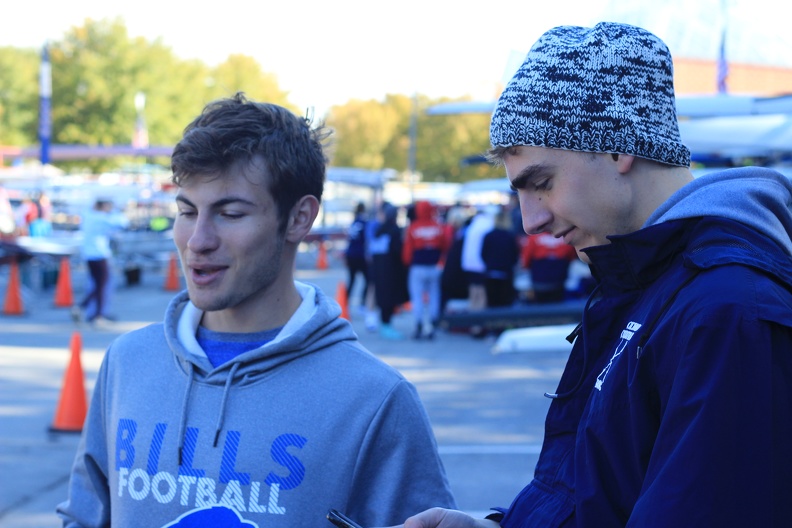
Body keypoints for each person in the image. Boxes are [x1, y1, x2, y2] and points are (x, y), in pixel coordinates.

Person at [395, 22, 792, 527]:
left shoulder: (728, 311)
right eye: (520, 193)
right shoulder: (649, 285)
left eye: (542, 182)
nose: (530, 221)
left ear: (618, 147)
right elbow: (602, 501)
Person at [57, 93, 455, 527]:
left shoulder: (375, 399)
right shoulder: (128, 362)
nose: (198, 240)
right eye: (187, 211)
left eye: (229, 214)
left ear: (300, 218)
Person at [71, 198, 129, 325]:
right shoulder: (100, 218)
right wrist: (115, 212)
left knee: (97, 285)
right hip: (99, 254)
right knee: (102, 286)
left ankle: (85, 308)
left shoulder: (88, 216)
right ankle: (97, 315)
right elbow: (122, 223)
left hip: (89, 254)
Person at [402, 200, 450, 339]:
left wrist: (408, 263)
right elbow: (445, 246)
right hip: (434, 267)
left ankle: (419, 324)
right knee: (434, 296)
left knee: (417, 298)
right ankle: (432, 325)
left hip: (418, 267)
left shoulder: (413, 227)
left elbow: (407, 251)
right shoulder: (438, 226)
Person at [369, 202, 409, 340]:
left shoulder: (379, 230)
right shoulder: (394, 230)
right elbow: (398, 252)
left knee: (382, 297)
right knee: (389, 299)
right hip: (391, 271)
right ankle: (386, 325)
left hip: (378, 270)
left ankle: (384, 324)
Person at [521, 232, 578, 303]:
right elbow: (572, 258)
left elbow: (525, 262)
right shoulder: (565, 237)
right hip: (559, 283)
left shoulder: (533, 238)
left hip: (539, 283)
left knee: (539, 307)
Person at [480, 206, 519, 309]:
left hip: (491, 273)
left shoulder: (488, 236)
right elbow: (515, 255)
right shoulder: (510, 236)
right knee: (505, 305)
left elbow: (483, 254)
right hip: (506, 274)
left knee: (492, 305)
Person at [344, 201, 369, 310]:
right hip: (360, 255)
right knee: (368, 280)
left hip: (350, 254)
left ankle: (345, 303)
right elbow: (367, 240)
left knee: (352, 280)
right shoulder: (364, 223)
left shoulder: (353, 223)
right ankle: (362, 303)